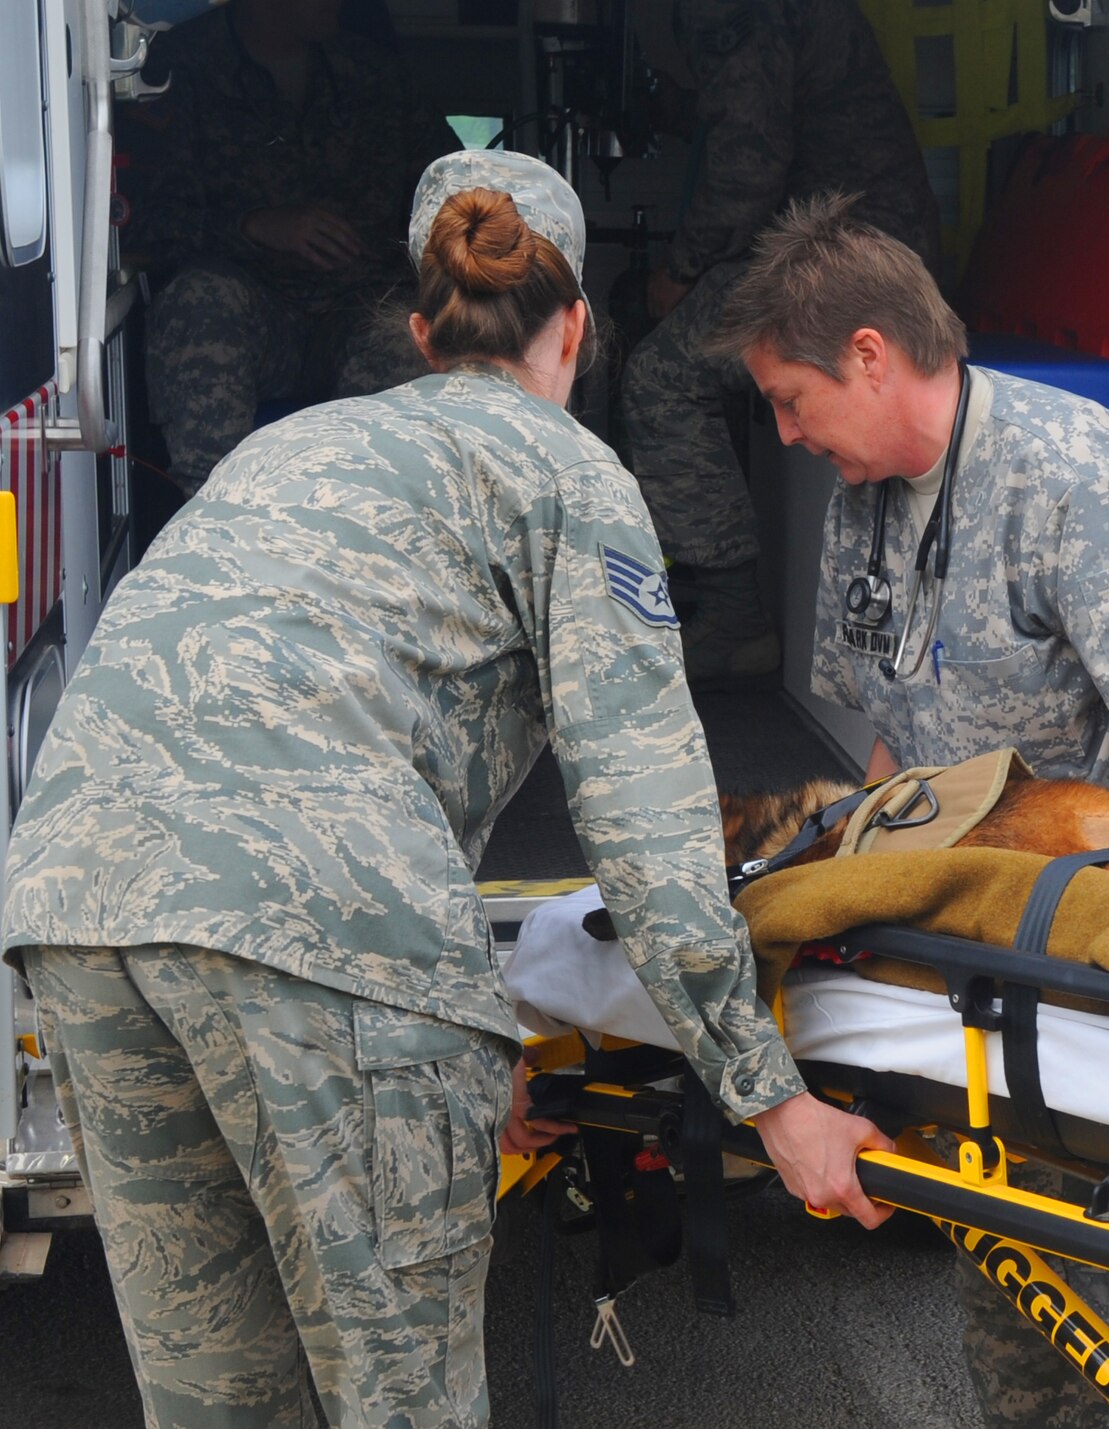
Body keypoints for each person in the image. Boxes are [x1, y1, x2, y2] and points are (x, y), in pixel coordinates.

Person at [2, 151, 890, 1429]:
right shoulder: (572, 480)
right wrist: (773, 1098)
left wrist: (446, 1027)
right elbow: (646, 831)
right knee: (400, 1401)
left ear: (420, 332)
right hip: (311, 921)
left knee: (218, 1403)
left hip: (78, 901)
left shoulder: (282, 449)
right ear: (579, 326)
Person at [705, 193, 1109, 1429]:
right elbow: (890, 743)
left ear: (867, 356)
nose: (786, 430)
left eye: (789, 398)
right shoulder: (865, 503)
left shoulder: (1071, 474)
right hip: (1009, 937)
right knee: (1033, 1308)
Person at [615, 0, 941, 684]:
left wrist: (679, 268)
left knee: (659, 377)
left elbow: (748, 159)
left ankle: (734, 614)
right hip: (867, 245)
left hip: (847, 262)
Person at [126, 0, 453, 495]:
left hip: (357, 306)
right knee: (200, 299)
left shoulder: (374, 73)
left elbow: (453, 187)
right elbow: (135, 220)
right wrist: (254, 226)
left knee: (407, 333)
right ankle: (215, 525)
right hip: (254, 313)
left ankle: (364, 532)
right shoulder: (181, 66)